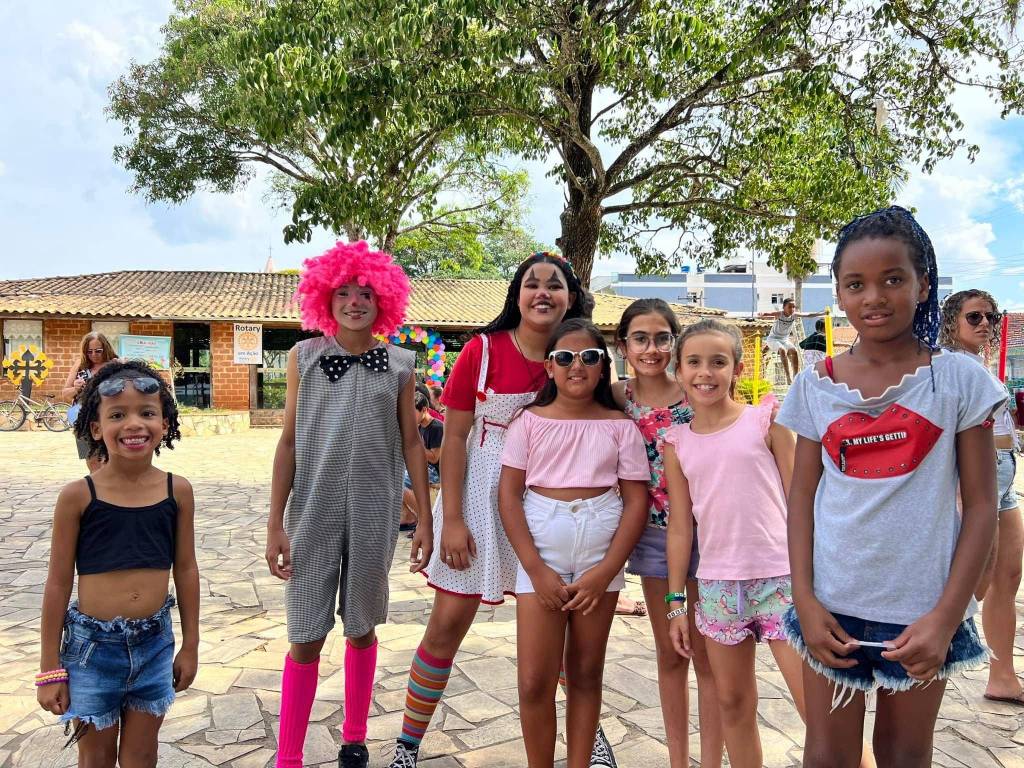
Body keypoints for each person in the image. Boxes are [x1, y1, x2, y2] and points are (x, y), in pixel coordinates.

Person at [777, 207, 1005, 767]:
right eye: (856, 284)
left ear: (923, 285)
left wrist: (946, 617)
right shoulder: (815, 386)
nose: (874, 297)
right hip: (830, 608)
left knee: (904, 753)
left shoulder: (959, 381)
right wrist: (804, 599)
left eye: (893, 279)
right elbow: (800, 500)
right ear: (839, 293)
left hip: (923, 611)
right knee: (827, 755)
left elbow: (982, 507)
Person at [387, 252, 604, 768]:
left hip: (550, 504)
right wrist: (451, 519)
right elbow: (454, 437)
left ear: (572, 296)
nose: (543, 293)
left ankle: (590, 738)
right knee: (445, 626)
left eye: (555, 284)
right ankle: (407, 745)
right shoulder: (481, 351)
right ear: (517, 294)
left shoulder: (580, 356)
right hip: (481, 500)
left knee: (561, 637)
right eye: (533, 283)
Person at [264, 241, 433, 768]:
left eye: (366, 293)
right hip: (312, 512)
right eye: (343, 292)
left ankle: (354, 739)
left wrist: (425, 519)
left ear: (383, 300)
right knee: (305, 633)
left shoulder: (401, 364)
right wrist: (274, 523)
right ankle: (289, 756)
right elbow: (288, 442)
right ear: (325, 298)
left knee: (361, 626)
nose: (355, 302)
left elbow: (412, 443)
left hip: (374, 513)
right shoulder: (304, 357)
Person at [498, 318, 649, 768]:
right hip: (541, 554)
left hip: (599, 558)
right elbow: (509, 496)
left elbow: (636, 503)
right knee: (534, 682)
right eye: (564, 357)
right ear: (549, 366)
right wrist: (535, 569)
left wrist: (605, 573)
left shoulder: (620, 426)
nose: (576, 365)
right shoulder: (528, 422)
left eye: (589, 357)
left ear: (604, 367)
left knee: (585, 673)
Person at [37, 360, 199, 766]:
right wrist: (49, 667)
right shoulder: (78, 496)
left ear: (164, 423)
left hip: (155, 646)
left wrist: (191, 645)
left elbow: (186, 569)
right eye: (117, 415)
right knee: (95, 758)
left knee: (142, 756)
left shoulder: (177, 490)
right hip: (92, 651)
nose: (133, 424)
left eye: (147, 413)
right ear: (95, 428)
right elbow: (58, 582)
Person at [662, 319, 806, 768]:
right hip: (719, 588)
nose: (706, 372)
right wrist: (675, 603)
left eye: (718, 362)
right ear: (679, 371)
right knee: (733, 705)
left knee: (819, 707)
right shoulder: (677, 443)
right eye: (694, 362)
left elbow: (802, 503)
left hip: (783, 582)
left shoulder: (766, 422)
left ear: (737, 370)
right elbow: (681, 528)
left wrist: (814, 579)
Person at [610, 298, 724, 768]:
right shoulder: (615, 397)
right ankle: (678, 761)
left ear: (674, 343)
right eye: (640, 338)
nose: (651, 349)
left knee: (710, 656)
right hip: (654, 539)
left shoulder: (697, 391)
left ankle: (712, 761)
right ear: (623, 345)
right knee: (672, 651)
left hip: (709, 535)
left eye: (661, 338)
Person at [938, 289, 1023, 706]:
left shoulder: (977, 363)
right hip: (976, 479)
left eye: (992, 316)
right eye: (974, 317)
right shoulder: (949, 364)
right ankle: (929, 659)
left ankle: (1003, 675)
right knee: (976, 583)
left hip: (1003, 475)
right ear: (952, 321)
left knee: (1008, 575)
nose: (986, 323)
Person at [61, 331, 118, 473]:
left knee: (109, 459)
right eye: (89, 351)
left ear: (105, 348)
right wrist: (75, 388)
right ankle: (96, 485)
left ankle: (110, 484)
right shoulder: (80, 365)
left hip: (108, 418)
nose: (94, 355)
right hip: (83, 419)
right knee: (91, 460)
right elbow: (65, 394)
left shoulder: (115, 365)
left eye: (98, 351)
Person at [401, 392, 444, 534]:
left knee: (400, 481)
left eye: (412, 413)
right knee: (392, 477)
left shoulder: (437, 427)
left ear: (424, 409)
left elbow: (434, 458)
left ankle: (425, 520)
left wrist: (415, 444)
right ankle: (409, 517)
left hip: (436, 471)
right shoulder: (420, 427)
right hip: (424, 467)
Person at [758, 300, 825, 384]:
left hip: (784, 339)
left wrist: (821, 313)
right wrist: (762, 314)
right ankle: (788, 377)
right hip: (773, 339)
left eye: (793, 307)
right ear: (784, 308)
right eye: (789, 307)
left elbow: (808, 315)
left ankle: (795, 376)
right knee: (782, 350)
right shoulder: (780, 314)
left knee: (794, 351)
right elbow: (769, 314)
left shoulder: (794, 315)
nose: (792, 309)